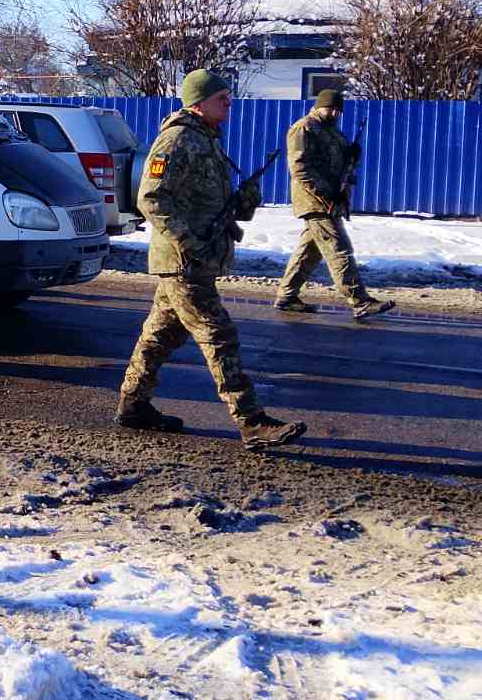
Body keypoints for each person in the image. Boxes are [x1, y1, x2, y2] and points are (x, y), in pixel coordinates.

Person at [118, 70, 307, 450]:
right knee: (219, 335)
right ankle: (251, 421)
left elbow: (210, 205)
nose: (229, 103)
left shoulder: (208, 140)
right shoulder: (177, 139)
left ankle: (134, 404)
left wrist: (245, 200)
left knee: (160, 336)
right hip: (183, 261)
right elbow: (150, 198)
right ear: (199, 102)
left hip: (196, 260)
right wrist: (187, 241)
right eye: (222, 97)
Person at [274, 89, 394, 322]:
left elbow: (339, 164)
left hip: (332, 199)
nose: (335, 113)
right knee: (339, 249)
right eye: (330, 108)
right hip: (316, 200)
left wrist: (352, 156)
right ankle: (360, 301)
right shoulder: (304, 128)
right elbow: (300, 167)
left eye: (338, 110)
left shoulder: (333, 131)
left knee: (309, 252)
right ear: (319, 106)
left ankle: (287, 296)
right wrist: (325, 193)